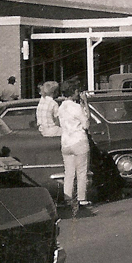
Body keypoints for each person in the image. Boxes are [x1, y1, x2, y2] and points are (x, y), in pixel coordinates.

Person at [57, 79, 92, 213]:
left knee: (69, 173)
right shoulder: (76, 107)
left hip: (65, 142)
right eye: (77, 90)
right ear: (74, 92)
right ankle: (82, 199)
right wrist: (85, 103)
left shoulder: (61, 107)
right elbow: (86, 123)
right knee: (82, 172)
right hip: (79, 141)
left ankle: (67, 198)